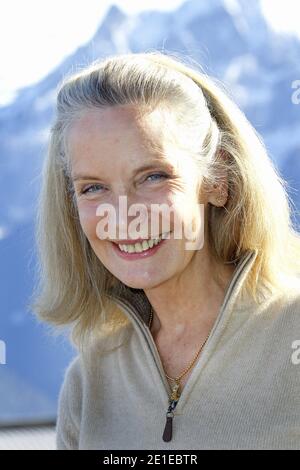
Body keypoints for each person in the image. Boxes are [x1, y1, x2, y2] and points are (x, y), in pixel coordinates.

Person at [30, 51, 300, 450]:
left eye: (153, 176)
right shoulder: (88, 382)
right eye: (93, 187)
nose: (124, 217)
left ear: (217, 179)